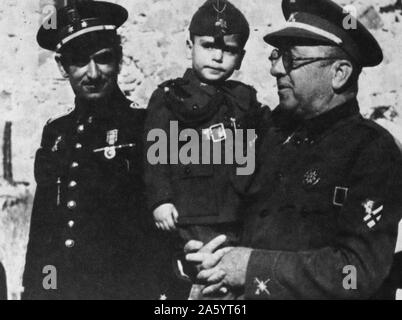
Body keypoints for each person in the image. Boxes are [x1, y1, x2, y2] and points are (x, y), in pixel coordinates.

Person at [186, 0, 402, 300]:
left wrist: (250, 268)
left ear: (339, 73)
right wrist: (208, 255)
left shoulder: (372, 151)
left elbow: (357, 272)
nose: (275, 69)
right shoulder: (268, 132)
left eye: (291, 60)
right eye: (276, 55)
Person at [23, 1, 161, 300]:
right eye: (79, 61)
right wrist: (37, 291)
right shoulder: (56, 132)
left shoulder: (144, 124)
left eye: (104, 59)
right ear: (62, 66)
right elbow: (44, 227)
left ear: (119, 59)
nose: (93, 73)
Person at [144, 0, 263, 299]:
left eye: (230, 50)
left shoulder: (244, 100)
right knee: (199, 280)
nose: (218, 56)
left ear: (241, 57)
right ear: (190, 46)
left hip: (236, 212)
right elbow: (155, 153)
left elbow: (258, 150)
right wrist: (161, 199)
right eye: (208, 46)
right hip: (190, 214)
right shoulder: (170, 97)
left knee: (231, 280)